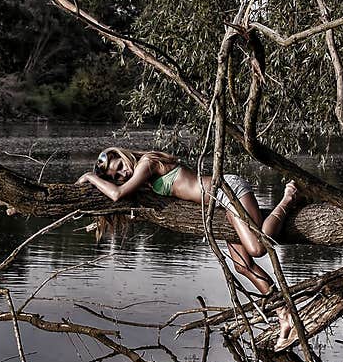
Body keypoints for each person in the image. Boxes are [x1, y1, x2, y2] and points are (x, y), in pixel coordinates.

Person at [76, 147, 300, 349]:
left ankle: (288, 199)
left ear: (123, 155)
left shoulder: (147, 163)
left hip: (227, 191)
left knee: (257, 248)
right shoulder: (142, 176)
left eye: (120, 167)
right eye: (116, 176)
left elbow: (117, 194)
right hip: (220, 208)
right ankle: (284, 315)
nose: (122, 174)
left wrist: (89, 177)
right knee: (242, 266)